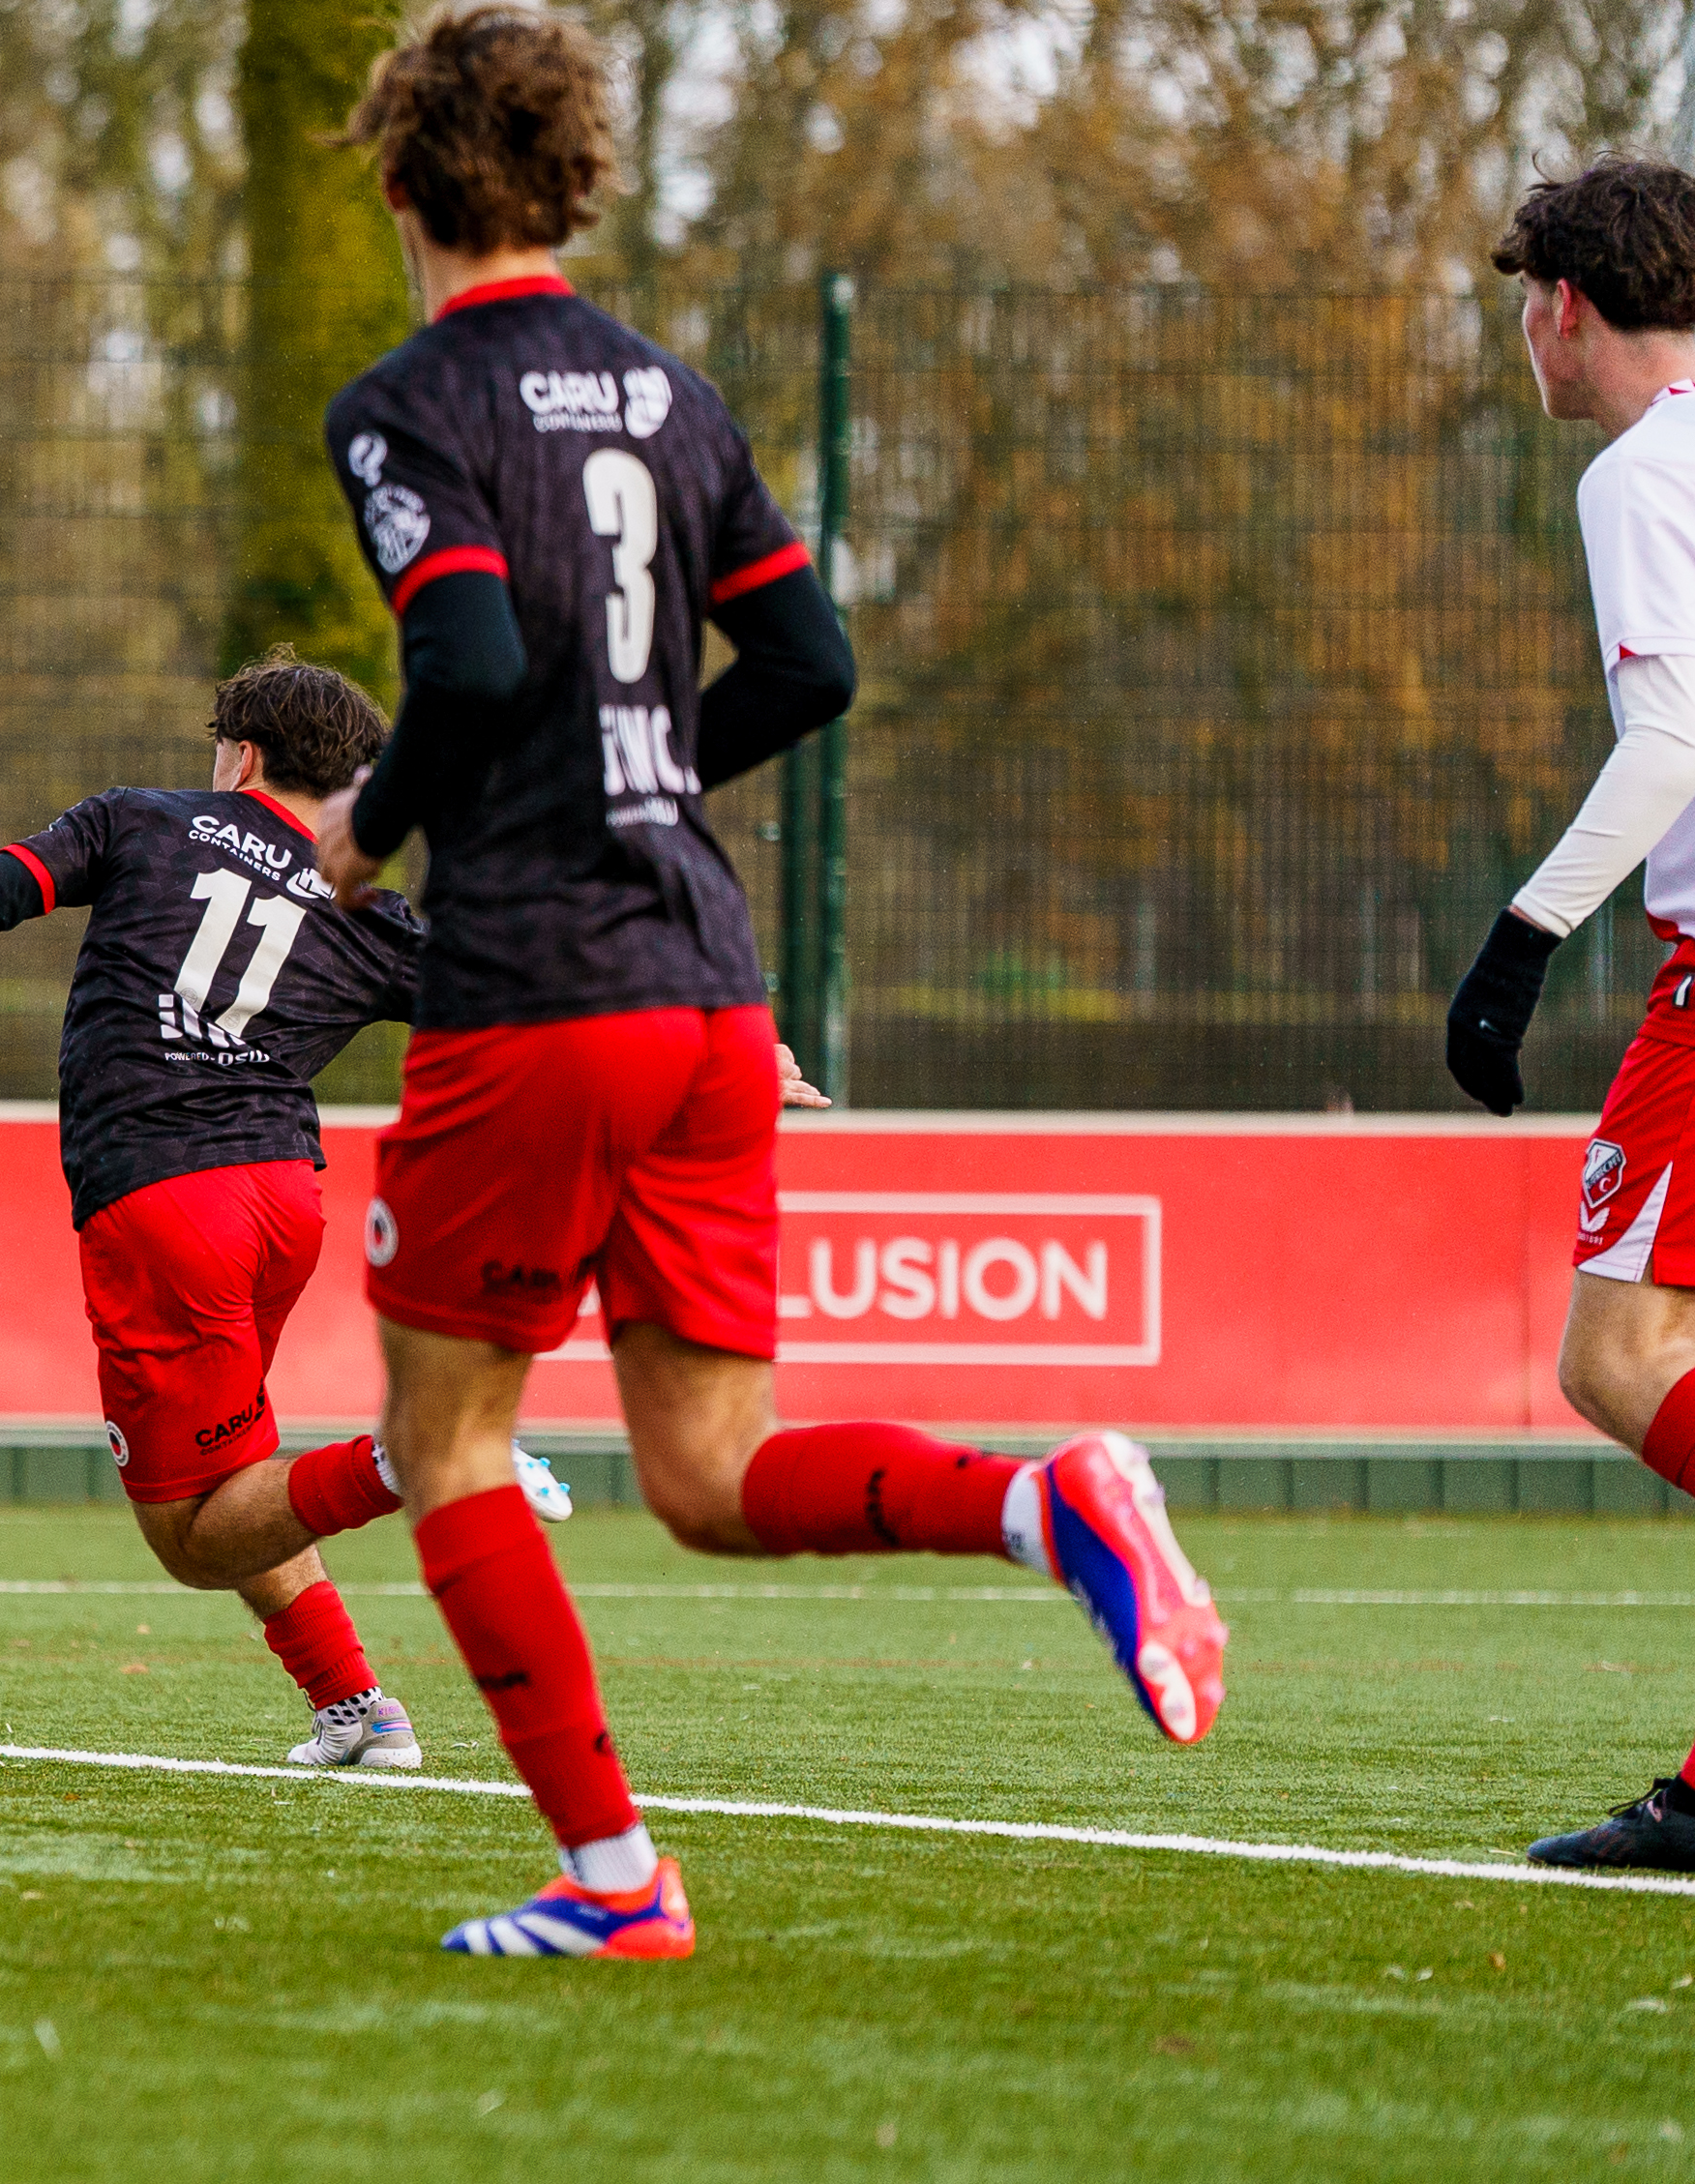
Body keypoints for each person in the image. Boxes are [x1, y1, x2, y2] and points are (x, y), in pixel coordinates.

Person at [301, 6, 1212, 1958]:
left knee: (449, 1439)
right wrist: (636, 769)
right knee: (705, 1475)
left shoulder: (406, 404)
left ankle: (616, 1881)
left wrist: (375, 825)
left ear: (401, 184)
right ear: (572, 181)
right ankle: (1038, 1502)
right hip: (710, 985)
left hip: (537, 979)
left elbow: (458, 658)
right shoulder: (675, 393)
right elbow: (810, 665)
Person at [0, 657, 677, 1769]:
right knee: (240, 1479)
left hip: (165, 1203)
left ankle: (421, 1454)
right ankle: (358, 1709)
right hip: (282, 1200)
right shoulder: (365, 903)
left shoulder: (139, 821)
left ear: (243, 754)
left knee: (192, 1536)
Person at [1439, 155, 1695, 1876]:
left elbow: (1669, 751)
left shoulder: (1645, 474)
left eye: (1521, 307)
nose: (1523, 338)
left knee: (1617, 1359)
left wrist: (1519, 936)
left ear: (1561, 306)